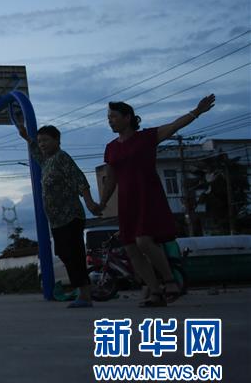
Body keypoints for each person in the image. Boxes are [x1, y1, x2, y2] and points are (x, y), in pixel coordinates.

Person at [100, 94, 216, 307]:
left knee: (144, 240)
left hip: (148, 195)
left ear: (127, 117)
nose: (110, 121)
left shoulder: (146, 137)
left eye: (114, 117)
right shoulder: (111, 148)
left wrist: (197, 112)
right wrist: (101, 203)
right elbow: (110, 180)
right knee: (131, 247)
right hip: (127, 202)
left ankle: (170, 282)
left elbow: (174, 125)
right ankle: (155, 291)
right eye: (108, 118)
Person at [17, 123, 100, 308]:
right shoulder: (46, 162)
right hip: (57, 220)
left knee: (74, 253)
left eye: (46, 140)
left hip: (71, 216)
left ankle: (85, 294)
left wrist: (89, 202)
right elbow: (35, 150)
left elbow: (79, 179)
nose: (42, 144)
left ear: (57, 140)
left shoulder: (62, 157)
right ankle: (83, 289)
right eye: (40, 141)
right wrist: (26, 136)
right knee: (63, 253)